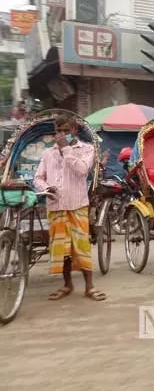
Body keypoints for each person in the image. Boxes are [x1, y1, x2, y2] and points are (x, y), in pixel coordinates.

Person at [33, 114, 106, 301]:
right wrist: (46, 188)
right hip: (56, 206)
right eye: (59, 131)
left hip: (77, 205)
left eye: (66, 130)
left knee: (81, 246)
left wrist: (66, 149)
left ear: (74, 130)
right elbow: (38, 178)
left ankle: (89, 287)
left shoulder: (86, 149)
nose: (62, 134)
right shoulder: (48, 153)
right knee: (62, 249)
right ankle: (67, 285)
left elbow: (82, 170)